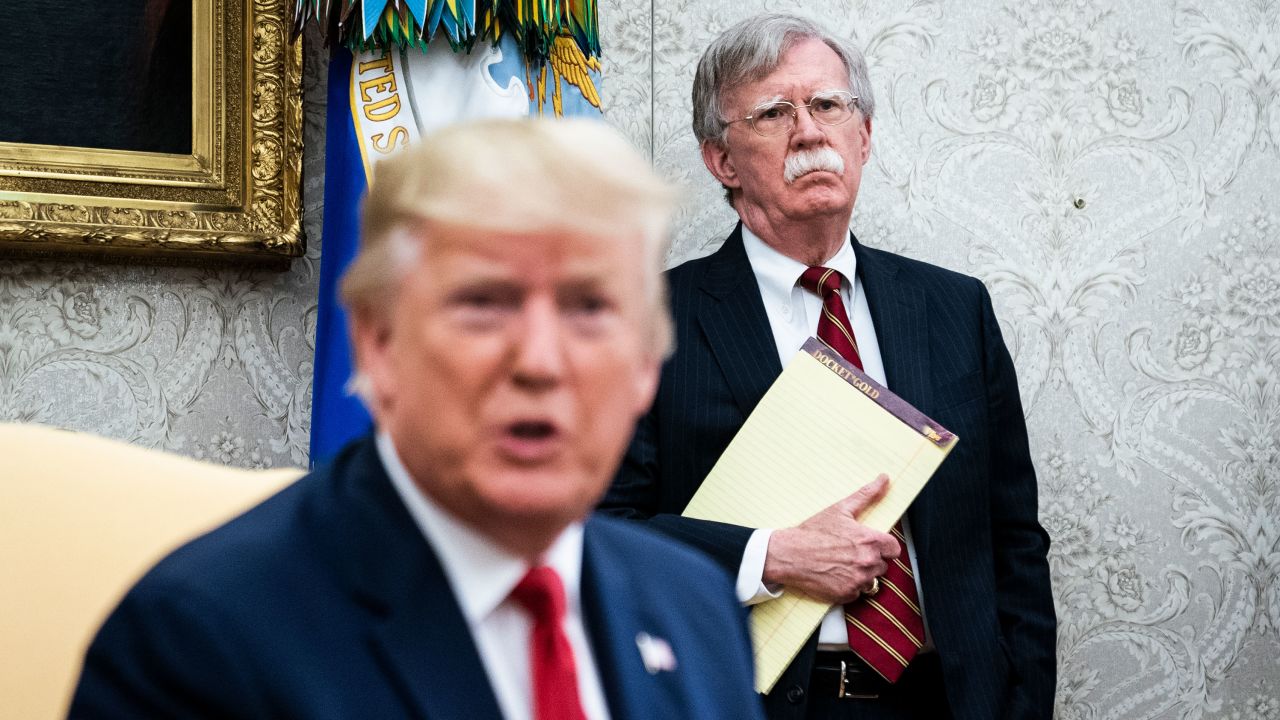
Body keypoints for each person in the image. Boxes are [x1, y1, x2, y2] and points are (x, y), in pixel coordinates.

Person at [69, 118, 765, 720]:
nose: (542, 363)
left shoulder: (696, 608)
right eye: (485, 304)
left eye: (590, 308)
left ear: (647, 362)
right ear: (379, 342)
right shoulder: (200, 642)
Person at [601, 13, 1056, 720]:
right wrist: (769, 557)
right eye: (773, 112)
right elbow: (599, 530)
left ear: (864, 136)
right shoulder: (647, 319)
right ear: (722, 161)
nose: (809, 131)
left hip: (949, 700)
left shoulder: (955, 308)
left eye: (827, 105)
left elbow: (1013, 542)